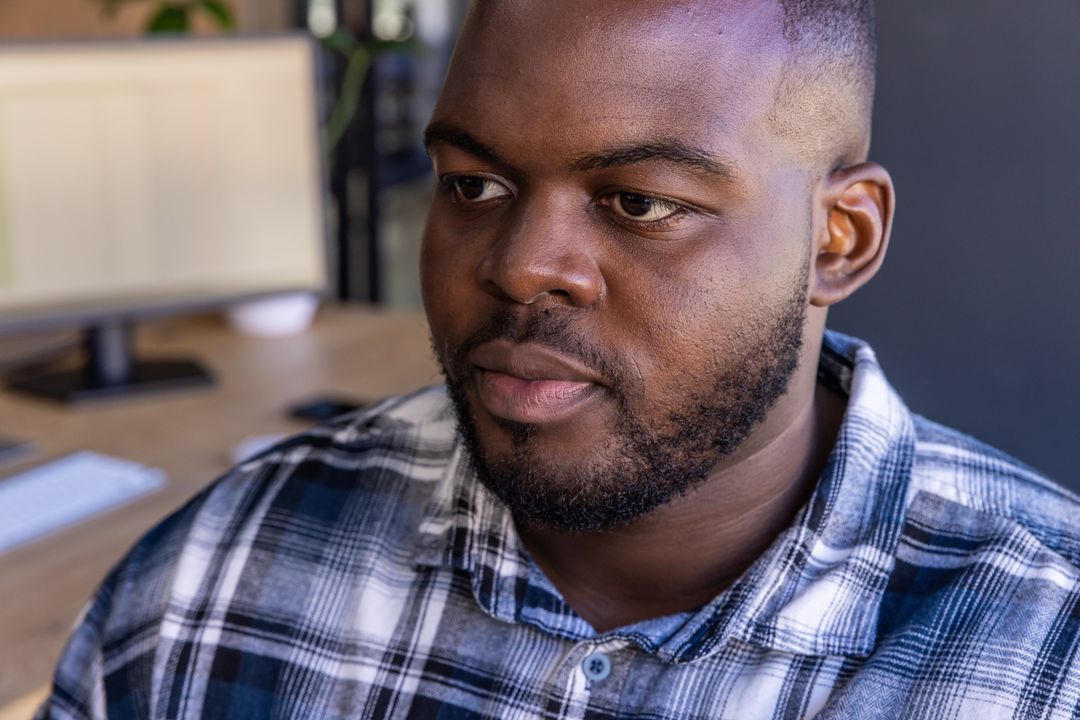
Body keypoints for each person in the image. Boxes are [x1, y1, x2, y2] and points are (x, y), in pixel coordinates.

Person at [40, 1, 1080, 718]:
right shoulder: (213, 580)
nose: (521, 267)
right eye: (473, 186)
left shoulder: (1049, 660)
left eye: (640, 203)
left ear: (837, 239)